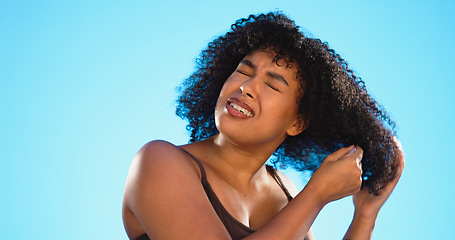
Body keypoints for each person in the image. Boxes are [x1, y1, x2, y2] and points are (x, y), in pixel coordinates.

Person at [122, 12, 405, 240]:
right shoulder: (159, 162)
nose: (245, 87)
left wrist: (365, 215)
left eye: (271, 85)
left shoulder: (286, 194)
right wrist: (316, 195)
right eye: (243, 71)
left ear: (297, 122)